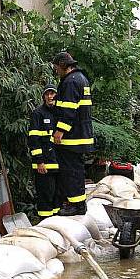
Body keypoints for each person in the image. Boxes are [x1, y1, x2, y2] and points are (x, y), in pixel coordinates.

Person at [51, 52, 94, 216]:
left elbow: (68, 109)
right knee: (75, 170)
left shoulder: (70, 82)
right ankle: (77, 203)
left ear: (63, 65)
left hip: (73, 137)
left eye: (56, 68)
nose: (56, 71)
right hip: (80, 135)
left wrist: (60, 130)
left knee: (71, 171)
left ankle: (76, 205)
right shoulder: (80, 79)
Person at [28, 84, 60, 218]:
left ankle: (56, 223)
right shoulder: (38, 113)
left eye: (52, 93)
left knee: (57, 196)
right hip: (44, 165)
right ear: (43, 97)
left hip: (58, 163)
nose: (50, 96)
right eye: (47, 94)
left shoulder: (60, 113)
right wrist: (39, 161)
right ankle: (45, 223)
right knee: (45, 196)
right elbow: (33, 140)